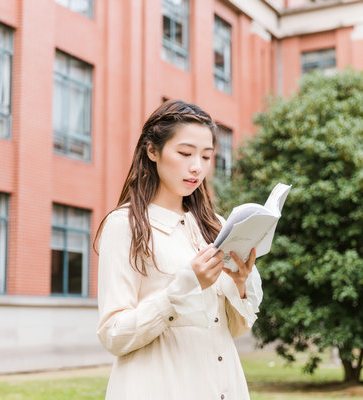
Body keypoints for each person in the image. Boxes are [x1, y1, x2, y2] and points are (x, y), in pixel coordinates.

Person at [95, 99, 263, 400]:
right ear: (153, 151)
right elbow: (114, 335)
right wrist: (184, 288)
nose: (196, 166)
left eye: (206, 156)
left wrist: (239, 284)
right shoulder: (126, 225)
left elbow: (233, 330)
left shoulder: (215, 227)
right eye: (185, 153)